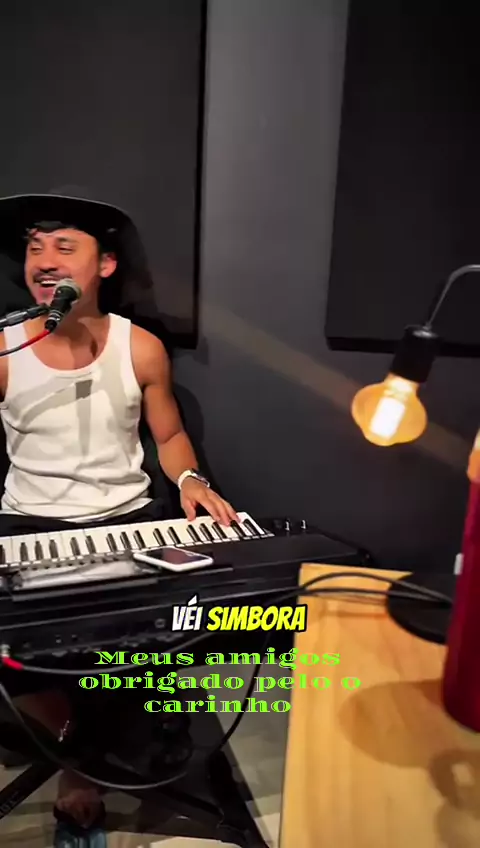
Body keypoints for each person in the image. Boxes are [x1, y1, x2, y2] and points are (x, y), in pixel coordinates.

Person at [0, 192, 238, 845]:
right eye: (34, 248)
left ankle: (80, 762)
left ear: (104, 265)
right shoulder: (4, 348)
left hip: (124, 521)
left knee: (129, 644)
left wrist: (191, 480)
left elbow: (170, 437)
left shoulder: (142, 348)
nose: (45, 260)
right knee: (25, 652)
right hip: (29, 526)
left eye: (63, 246)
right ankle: (81, 748)